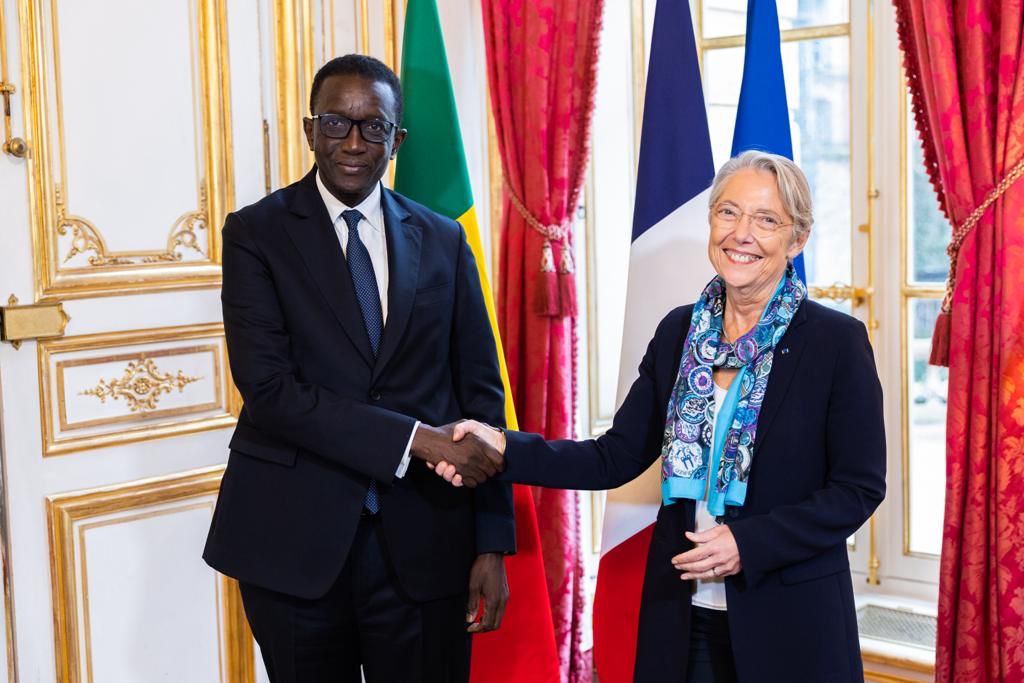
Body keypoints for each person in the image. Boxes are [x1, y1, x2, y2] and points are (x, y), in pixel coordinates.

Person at [432, 151, 886, 682]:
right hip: (682, 617)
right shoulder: (679, 332)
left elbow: (858, 487)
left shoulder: (835, 342)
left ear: (797, 239)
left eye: (766, 220)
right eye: (728, 212)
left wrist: (749, 543)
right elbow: (612, 457)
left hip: (792, 622)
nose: (742, 234)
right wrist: (502, 445)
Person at [203, 54, 514, 683]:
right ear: (308, 130)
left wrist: (491, 540)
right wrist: (414, 439)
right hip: (295, 546)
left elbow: (480, 393)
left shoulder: (444, 239)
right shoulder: (255, 234)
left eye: (372, 127)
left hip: (427, 545)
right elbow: (270, 390)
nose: (352, 142)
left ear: (396, 140)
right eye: (335, 123)